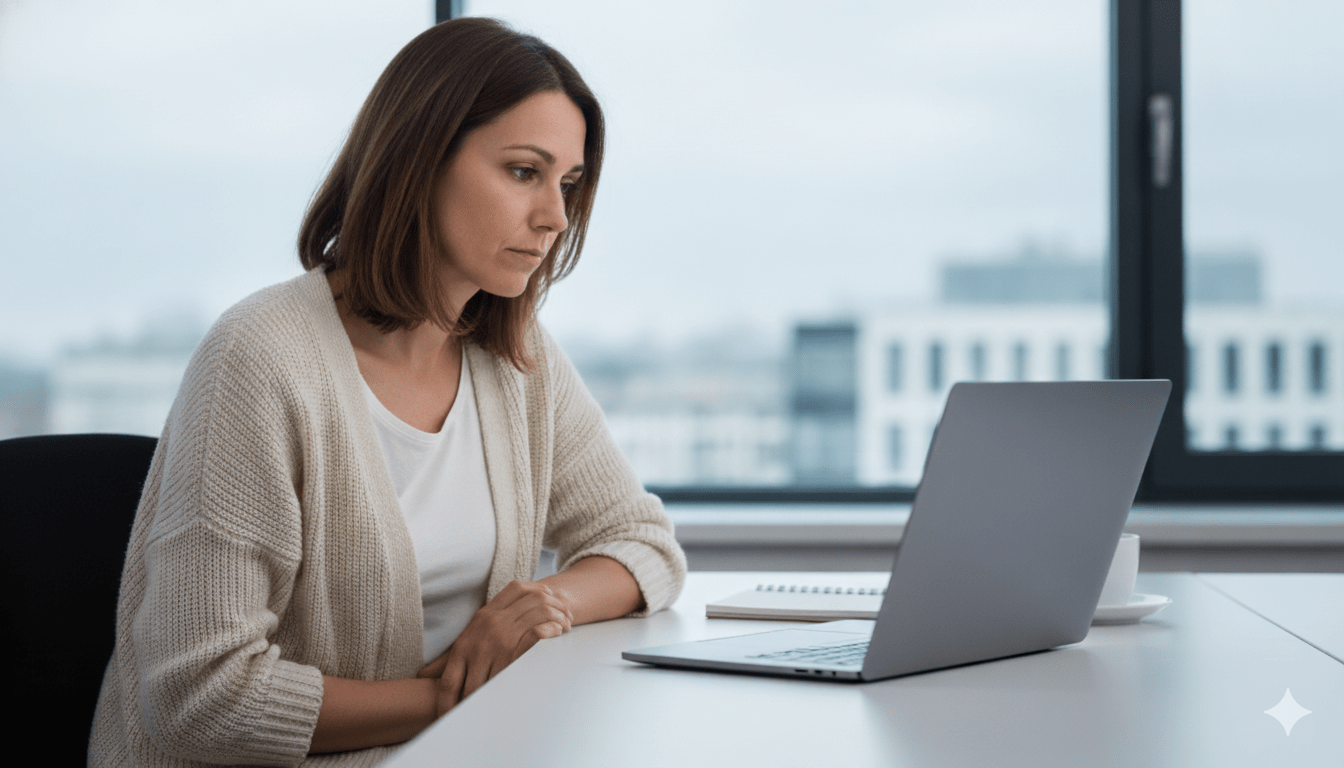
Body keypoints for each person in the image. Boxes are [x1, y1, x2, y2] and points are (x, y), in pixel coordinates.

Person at [90, 18, 686, 767]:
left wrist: (543, 605)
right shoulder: (260, 359)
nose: (555, 218)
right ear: (420, 160)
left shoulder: (517, 357)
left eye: (568, 184)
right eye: (523, 172)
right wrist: (451, 700)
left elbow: (643, 543)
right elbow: (199, 698)